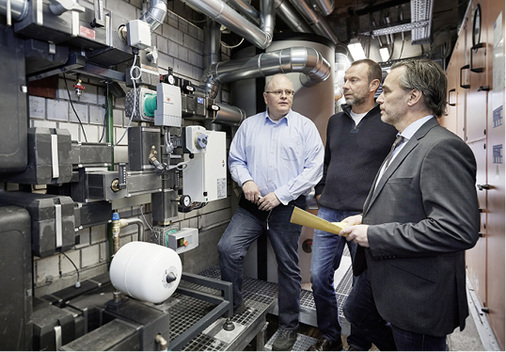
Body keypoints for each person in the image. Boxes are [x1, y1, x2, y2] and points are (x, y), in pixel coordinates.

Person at [340, 58, 480, 351]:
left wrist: (374, 234)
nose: (379, 98)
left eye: (387, 91)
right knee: (355, 311)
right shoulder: (403, 142)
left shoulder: (441, 147)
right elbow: (402, 201)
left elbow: (457, 230)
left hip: (417, 292)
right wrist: (363, 219)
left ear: (413, 97)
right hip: (383, 273)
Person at [217, 73, 324, 351]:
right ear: (266, 97)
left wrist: (280, 195)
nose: (285, 96)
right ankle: (234, 307)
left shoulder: (305, 127)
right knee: (228, 249)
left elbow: (314, 169)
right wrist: (247, 180)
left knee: (288, 267)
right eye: (278, 92)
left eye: (289, 92)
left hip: (287, 207)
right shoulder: (249, 126)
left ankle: (288, 326)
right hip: (252, 207)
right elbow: (236, 159)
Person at [308, 59, 398, 351]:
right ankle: (332, 336)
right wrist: (321, 191)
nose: (345, 86)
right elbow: (327, 162)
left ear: (374, 86)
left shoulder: (388, 122)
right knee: (319, 277)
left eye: (353, 80)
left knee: (362, 284)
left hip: (365, 216)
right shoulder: (335, 121)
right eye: (344, 80)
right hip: (329, 211)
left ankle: (358, 343)